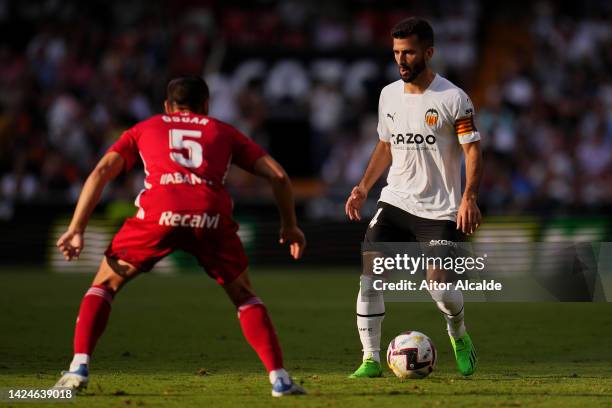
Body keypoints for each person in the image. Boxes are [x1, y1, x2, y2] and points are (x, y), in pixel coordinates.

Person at [53, 76, 307, 397]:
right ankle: (279, 378)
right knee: (244, 295)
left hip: (160, 213)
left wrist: (77, 228)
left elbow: (102, 170)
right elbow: (279, 176)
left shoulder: (144, 128)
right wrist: (290, 225)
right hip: (210, 215)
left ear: (167, 106)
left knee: (104, 284)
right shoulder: (223, 131)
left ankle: (78, 367)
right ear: (206, 105)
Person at [345, 18, 482, 378]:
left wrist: (469, 197)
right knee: (370, 277)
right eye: (395, 53)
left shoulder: (454, 98)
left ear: (428, 52)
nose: (401, 60)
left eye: (408, 52)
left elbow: (472, 151)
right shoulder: (388, 95)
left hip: (440, 209)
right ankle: (371, 358)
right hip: (395, 201)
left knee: (440, 291)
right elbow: (386, 144)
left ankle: (458, 333)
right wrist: (363, 186)